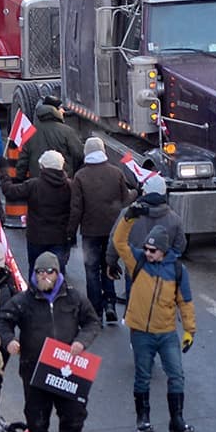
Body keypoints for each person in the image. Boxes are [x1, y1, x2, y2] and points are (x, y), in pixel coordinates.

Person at [0, 250, 100, 432]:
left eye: (48, 272)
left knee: (74, 413)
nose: (43, 276)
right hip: (34, 369)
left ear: (56, 273)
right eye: (39, 272)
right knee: (36, 416)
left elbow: (92, 322)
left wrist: (82, 341)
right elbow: (2, 321)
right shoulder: (24, 300)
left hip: (67, 369)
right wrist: (9, 340)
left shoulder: (74, 298)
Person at [113, 223, 197, 432]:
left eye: (153, 250)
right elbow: (119, 241)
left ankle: (176, 421)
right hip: (141, 332)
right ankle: (143, 418)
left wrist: (189, 331)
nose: (148, 253)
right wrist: (129, 219)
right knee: (142, 376)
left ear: (163, 251)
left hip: (167, 333)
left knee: (176, 375)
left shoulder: (178, 270)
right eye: (146, 249)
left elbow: (185, 301)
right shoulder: (138, 261)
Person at [70, 138, 133, 324]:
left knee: (91, 271)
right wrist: (136, 193)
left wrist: (70, 232)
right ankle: (110, 305)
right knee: (109, 266)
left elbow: (76, 208)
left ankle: (95, 312)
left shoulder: (80, 177)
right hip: (113, 231)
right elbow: (125, 200)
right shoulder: (116, 172)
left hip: (90, 232)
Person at [12, 149, 77, 275]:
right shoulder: (70, 186)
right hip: (60, 237)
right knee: (57, 271)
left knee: (35, 271)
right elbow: (76, 209)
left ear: (43, 167)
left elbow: (10, 192)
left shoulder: (34, 185)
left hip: (36, 237)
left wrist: (4, 173)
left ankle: (34, 292)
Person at [124, 173, 186, 257]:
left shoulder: (128, 214)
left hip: (134, 266)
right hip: (162, 267)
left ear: (144, 193)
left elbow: (117, 241)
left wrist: (111, 262)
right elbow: (180, 246)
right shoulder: (175, 219)